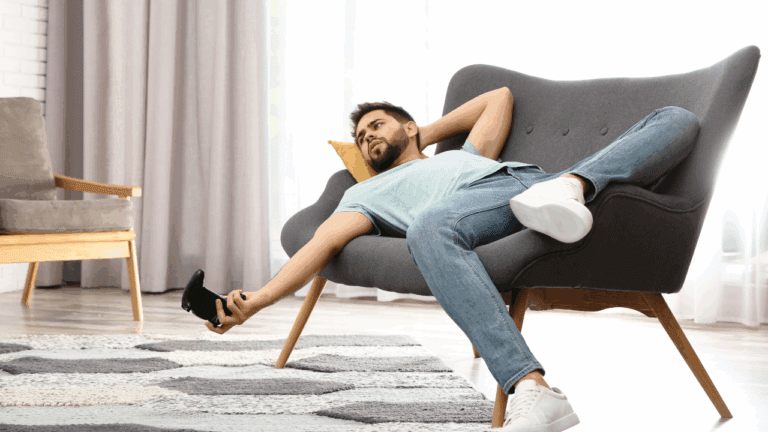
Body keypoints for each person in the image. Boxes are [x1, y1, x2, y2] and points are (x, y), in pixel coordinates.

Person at [204, 88, 700, 432]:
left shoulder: (464, 153)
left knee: (677, 119)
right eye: (360, 138)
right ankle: (532, 388)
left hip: (531, 184)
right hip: (470, 213)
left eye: (376, 125)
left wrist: (419, 136)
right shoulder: (361, 196)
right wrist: (258, 300)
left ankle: (574, 185)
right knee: (428, 228)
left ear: (408, 125)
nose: (367, 137)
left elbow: (498, 98)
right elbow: (318, 246)